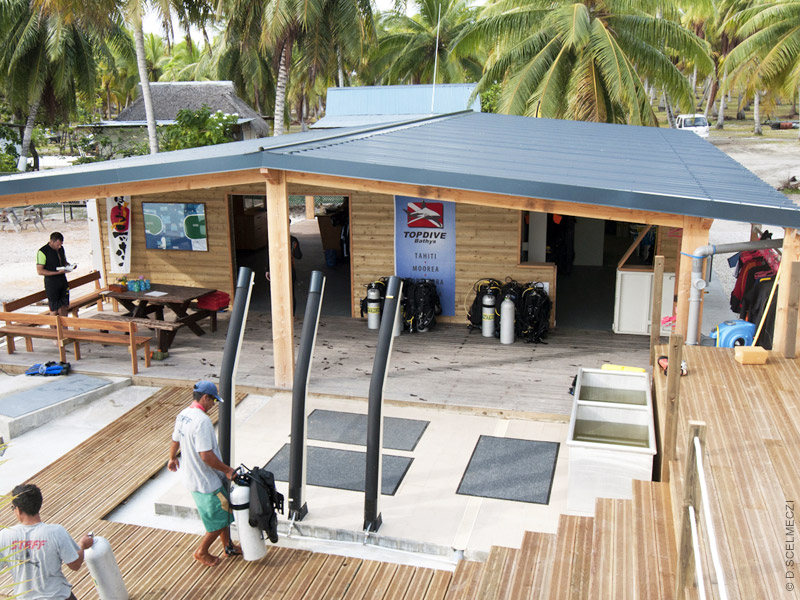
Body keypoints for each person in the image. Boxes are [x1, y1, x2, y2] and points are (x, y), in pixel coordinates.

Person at [168, 380, 241, 567]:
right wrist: (227, 470)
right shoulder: (202, 421)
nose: (213, 405)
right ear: (206, 398)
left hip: (191, 477)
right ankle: (202, 552)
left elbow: (175, 439)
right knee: (218, 520)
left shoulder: (183, 414)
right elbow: (206, 456)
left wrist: (172, 458)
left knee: (223, 513)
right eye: (213, 401)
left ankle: (228, 547)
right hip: (206, 481)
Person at [0, 483, 93, 600]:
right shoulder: (56, 532)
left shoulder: (4, 536)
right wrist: (82, 545)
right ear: (39, 505)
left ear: (18, 510)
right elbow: (75, 565)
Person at [36, 232, 75, 316]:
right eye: (58, 245)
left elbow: (63, 261)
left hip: (62, 280)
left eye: (61, 244)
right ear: (52, 242)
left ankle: (64, 327)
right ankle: (54, 328)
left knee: (64, 304)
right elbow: (40, 271)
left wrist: (69, 266)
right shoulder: (43, 251)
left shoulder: (61, 249)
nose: (59, 247)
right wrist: (56, 273)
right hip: (51, 282)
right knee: (54, 307)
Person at [265, 235, 303, 316]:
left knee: (277, 293)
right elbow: (298, 256)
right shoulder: (293, 240)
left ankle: (279, 314)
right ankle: (292, 315)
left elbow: (269, 255)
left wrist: (267, 270)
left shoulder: (273, 237)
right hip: (290, 269)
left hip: (276, 269)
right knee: (290, 293)